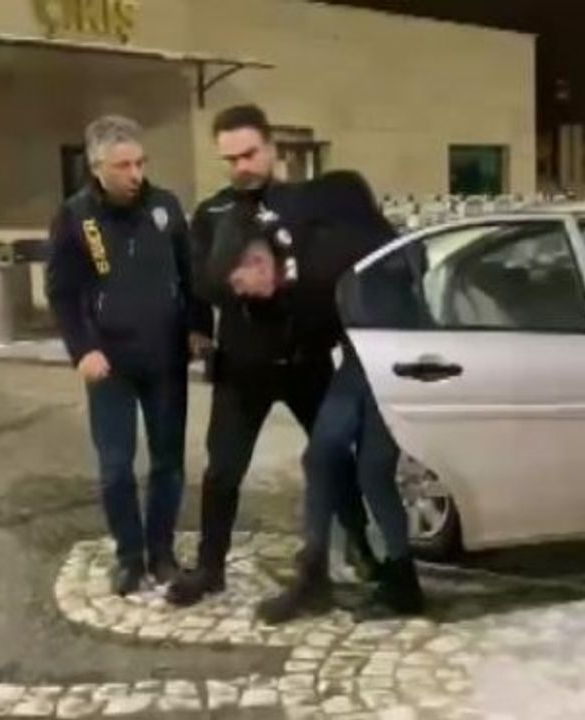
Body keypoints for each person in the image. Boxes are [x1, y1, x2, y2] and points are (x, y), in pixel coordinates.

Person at [167, 105, 379, 607]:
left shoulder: (307, 206)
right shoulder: (213, 213)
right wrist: (219, 299)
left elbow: (341, 270)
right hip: (243, 366)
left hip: (307, 360)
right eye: (230, 159)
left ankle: (362, 548)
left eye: (249, 154)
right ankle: (210, 567)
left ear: (272, 148)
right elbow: (199, 282)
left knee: (335, 459)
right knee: (223, 470)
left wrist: (288, 281)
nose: (241, 166)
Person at [46, 115, 212, 596]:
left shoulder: (165, 207)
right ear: (97, 167)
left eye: (140, 163)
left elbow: (192, 274)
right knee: (116, 467)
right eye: (123, 166)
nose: (136, 174)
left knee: (168, 463)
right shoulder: (76, 216)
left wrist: (199, 326)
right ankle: (129, 556)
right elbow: (61, 292)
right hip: (110, 363)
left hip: (165, 358)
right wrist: (83, 349)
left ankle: (161, 553)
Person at [257, 170, 425, 624]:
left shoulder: (370, 252)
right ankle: (389, 576)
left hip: (379, 366)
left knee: (349, 464)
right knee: (357, 467)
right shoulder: (387, 245)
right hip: (374, 364)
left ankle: (377, 576)